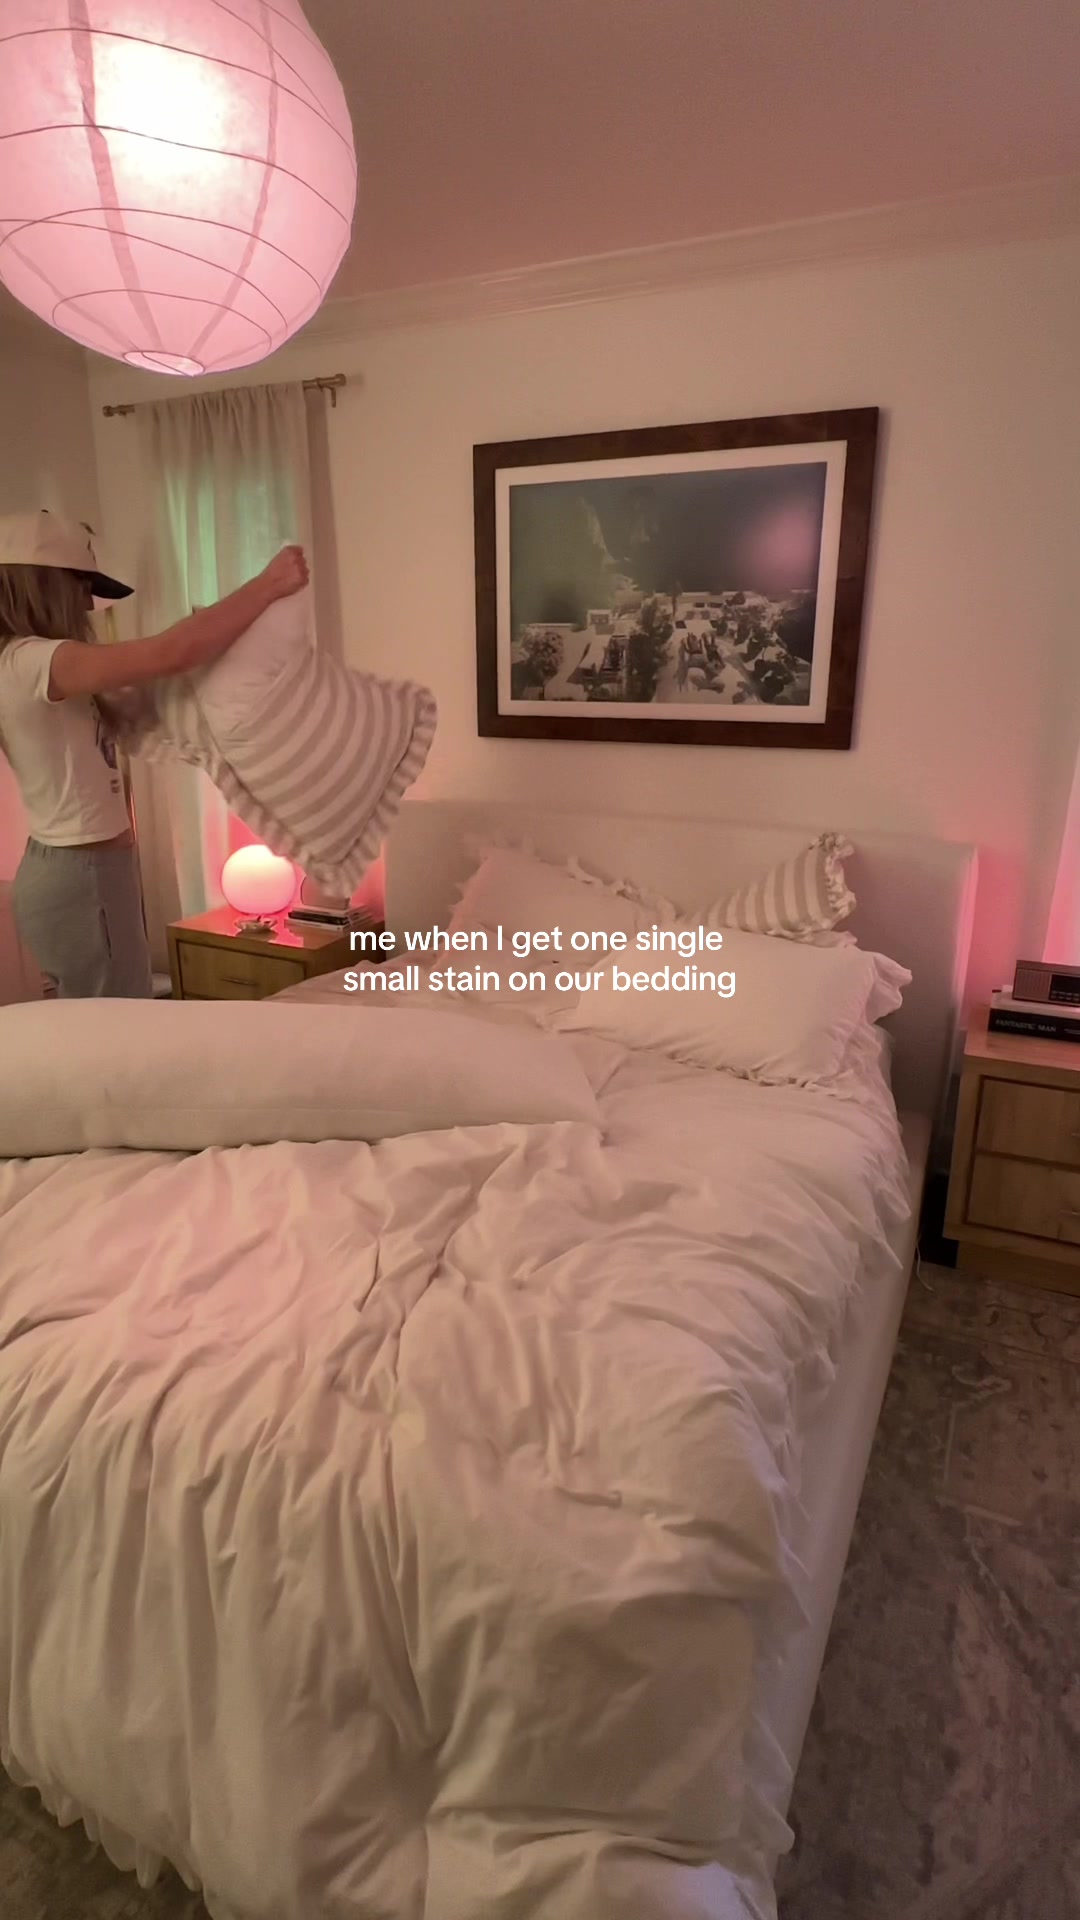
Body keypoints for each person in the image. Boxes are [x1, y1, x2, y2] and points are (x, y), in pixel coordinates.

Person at [0, 509, 309, 999]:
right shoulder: (31, 660)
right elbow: (170, 652)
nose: (88, 603)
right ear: (43, 586)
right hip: (82, 874)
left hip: (83, 871)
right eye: (81, 586)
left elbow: (163, 677)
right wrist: (268, 584)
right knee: (117, 1029)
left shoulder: (37, 665)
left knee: (110, 1022)